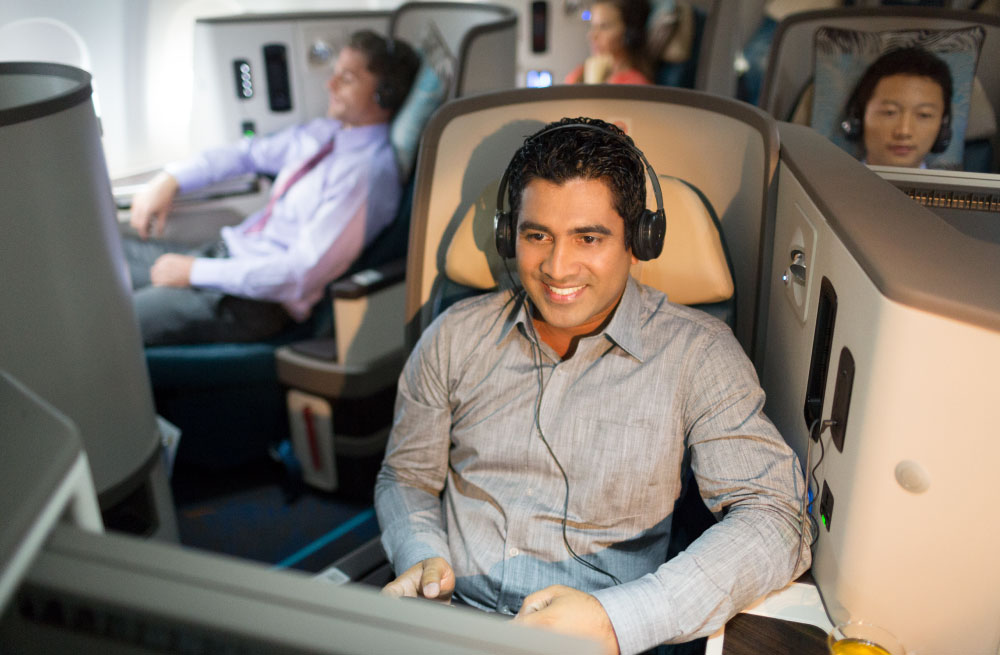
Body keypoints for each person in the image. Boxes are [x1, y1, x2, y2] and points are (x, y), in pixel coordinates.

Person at [375, 117, 811, 655]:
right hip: (449, 626)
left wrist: (615, 621)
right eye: (538, 236)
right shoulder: (454, 337)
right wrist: (421, 553)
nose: (557, 267)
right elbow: (406, 476)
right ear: (511, 236)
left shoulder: (698, 354)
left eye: (588, 237)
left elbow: (776, 517)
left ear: (639, 243)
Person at [125, 30, 419, 345]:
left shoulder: (368, 175)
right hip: (227, 258)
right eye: (333, 74)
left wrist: (195, 272)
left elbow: (300, 273)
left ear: (384, 94)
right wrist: (171, 179)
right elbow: (247, 153)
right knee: (107, 258)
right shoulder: (326, 133)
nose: (329, 85)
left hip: (255, 300)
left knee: (113, 322)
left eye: (346, 79)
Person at [841, 47, 953, 169]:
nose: (904, 132)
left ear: (943, 127)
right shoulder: (829, 186)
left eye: (924, 115)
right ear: (858, 118)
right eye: (889, 112)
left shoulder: (956, 188)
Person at [564, 0, 653, 85]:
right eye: (593, 26)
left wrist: (594, 82)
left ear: (630, 34)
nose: (592, 36)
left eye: (604, 27)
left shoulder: (636, 84)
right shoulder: (580, 73)